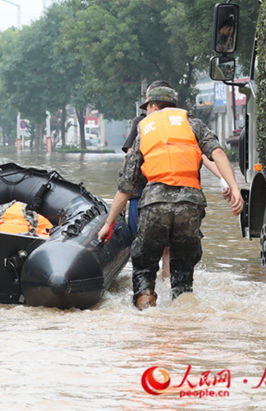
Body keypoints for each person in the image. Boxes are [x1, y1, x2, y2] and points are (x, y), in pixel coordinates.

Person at [97, 86, 243, 310]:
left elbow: (126, 186)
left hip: (155, 203)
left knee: (144, 267)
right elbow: (217, 153)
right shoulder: (192, 124)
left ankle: (147, 311)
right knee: (183, 273)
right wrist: (234, 188)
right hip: (190, 205)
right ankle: (182, 318)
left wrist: (108, 224)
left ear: (154, 106)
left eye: (147, 108)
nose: (146, 113)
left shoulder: (145, 130)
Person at [123, 81, 231, 279]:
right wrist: (230, 183)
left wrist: (225, 178)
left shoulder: (160, 124)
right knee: (164, 249)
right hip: (168, 195)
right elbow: (209, 154)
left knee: (154, 251)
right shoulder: (152, 123)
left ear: (153, 105)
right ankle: (171, 292)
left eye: (148, 104)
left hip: (153, 197)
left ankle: (155, 289)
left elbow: (206, 156)